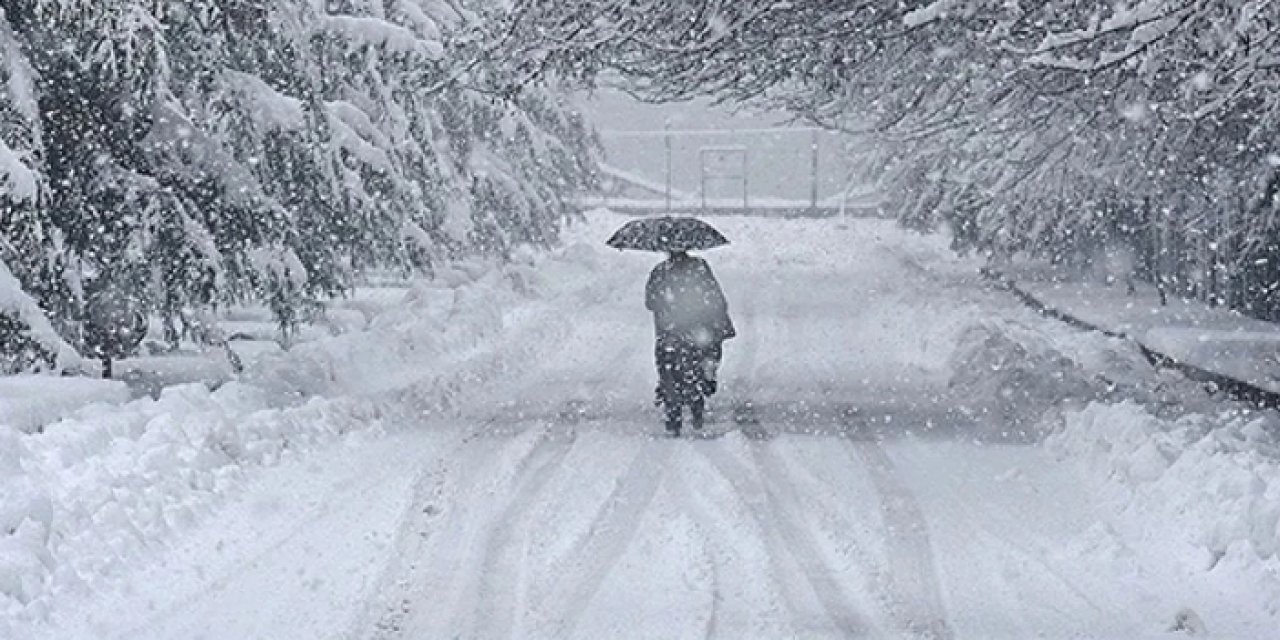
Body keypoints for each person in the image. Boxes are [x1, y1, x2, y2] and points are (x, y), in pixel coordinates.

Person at [645, 249, 734, 436]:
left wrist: (667, 306)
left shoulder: (660, 271)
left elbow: (650, 302)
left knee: (668, 369)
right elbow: (714, 296)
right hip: (697, 330)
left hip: (670, 331)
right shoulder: (700, 268)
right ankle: (697, 404)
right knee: (698, 365)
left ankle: (672, 413)